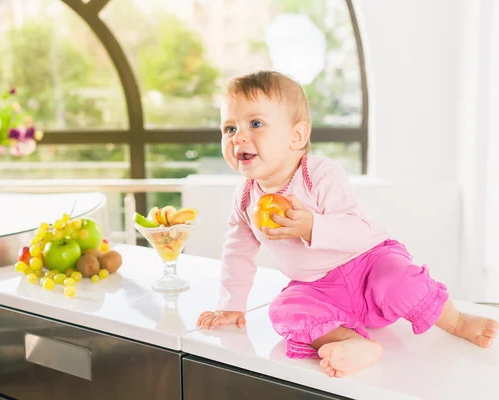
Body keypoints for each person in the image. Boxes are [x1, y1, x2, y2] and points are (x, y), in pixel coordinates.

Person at [196, 70, 499, 378]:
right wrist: (231, 304)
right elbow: (237, 252)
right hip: (317, 289)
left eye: (255, 124)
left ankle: (458, 321)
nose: (238, 137)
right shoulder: (246, 197)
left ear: (296, 136)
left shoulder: (320, 175)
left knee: (401, 280)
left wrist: (311, 226)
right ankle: (352, 342)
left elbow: (359, 231)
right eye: (229, 128)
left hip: (367, 265)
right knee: (283, 310)